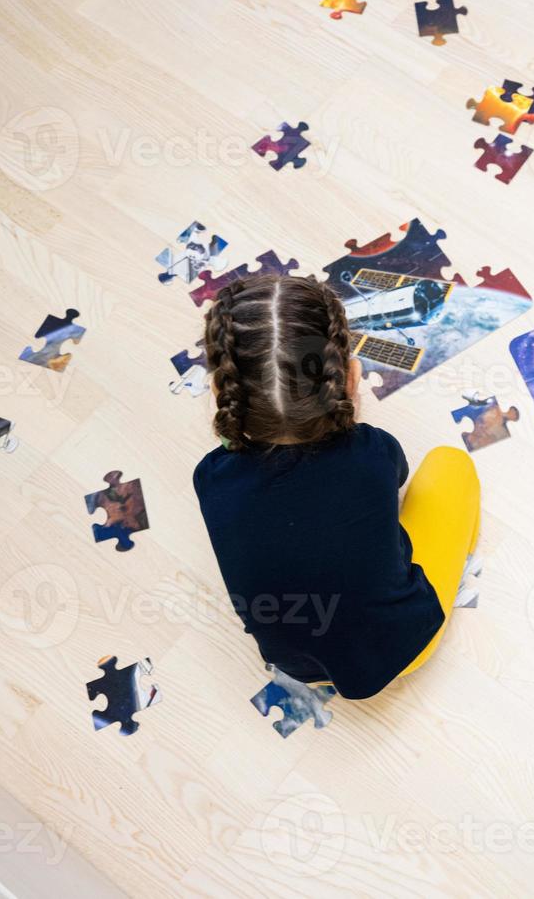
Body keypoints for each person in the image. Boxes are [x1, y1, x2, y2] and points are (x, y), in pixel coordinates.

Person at [192, 274, 479, 699]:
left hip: (294, 664)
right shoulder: (372, 453)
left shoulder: (209, 477)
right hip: (402, 648)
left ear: (220, 390)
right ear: (351, 378)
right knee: (450, 462)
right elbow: (395, 481)